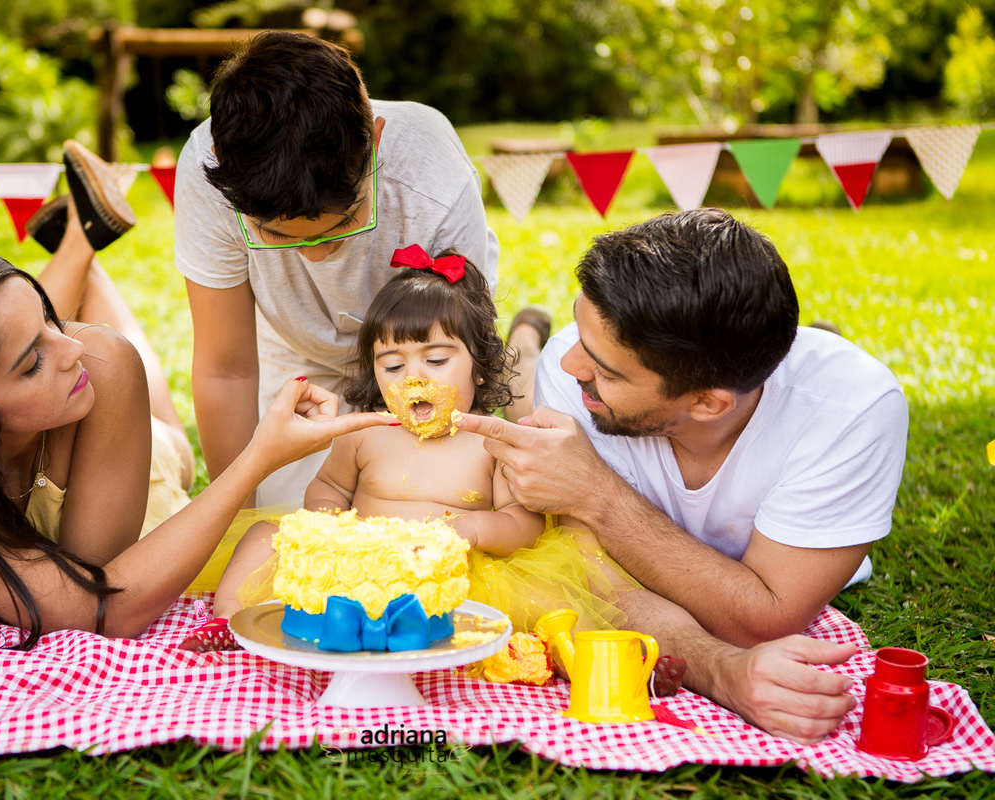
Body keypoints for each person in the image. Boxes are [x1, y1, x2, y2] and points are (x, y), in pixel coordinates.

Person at [0, 145, 391, 650]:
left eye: (48, 319)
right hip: (65, 434)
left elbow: (100, 586)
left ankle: (77, 254)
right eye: (31, 362)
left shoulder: (94, 364)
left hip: (143, 468)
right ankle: (80, 252)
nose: (67, 350)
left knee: (132, 387)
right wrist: (258, 459)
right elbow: (101, 609)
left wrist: (257, 458)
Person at [455, 208, 909, 744]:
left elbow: (763, 618)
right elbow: (596, 583)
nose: (574, 367)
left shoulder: (854, 410)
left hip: (786, 403)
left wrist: (598, 493)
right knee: (531, 369)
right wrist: (722, 670)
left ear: (707, 403)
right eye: (581, 333)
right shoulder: (569, 374)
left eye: (605, 369)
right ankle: (528, 334)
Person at [174, 31, 547, 508]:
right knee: (281, 514)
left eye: (343, 224)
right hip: (296, 357)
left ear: (374, 142)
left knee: (437, 497)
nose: (313, 256)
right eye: (278, 236)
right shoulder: (210, 173)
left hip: (426, 349)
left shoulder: (433, 176)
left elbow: (460, 355)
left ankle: (525, 343)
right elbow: (226, 370)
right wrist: (234, 518)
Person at [207, 245, 626, 637]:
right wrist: (327, 520)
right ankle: (228, 621)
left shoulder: (488, 441)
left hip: (452, 575)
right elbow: (330, 486)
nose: (413, 377)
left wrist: (474, 529)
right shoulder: (366, 433)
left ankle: (583, 651)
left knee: (548, 601)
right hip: (361, 568)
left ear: (478, 368)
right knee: (263, 534)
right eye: (392, 365)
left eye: (437, 360)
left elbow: (524, 523)